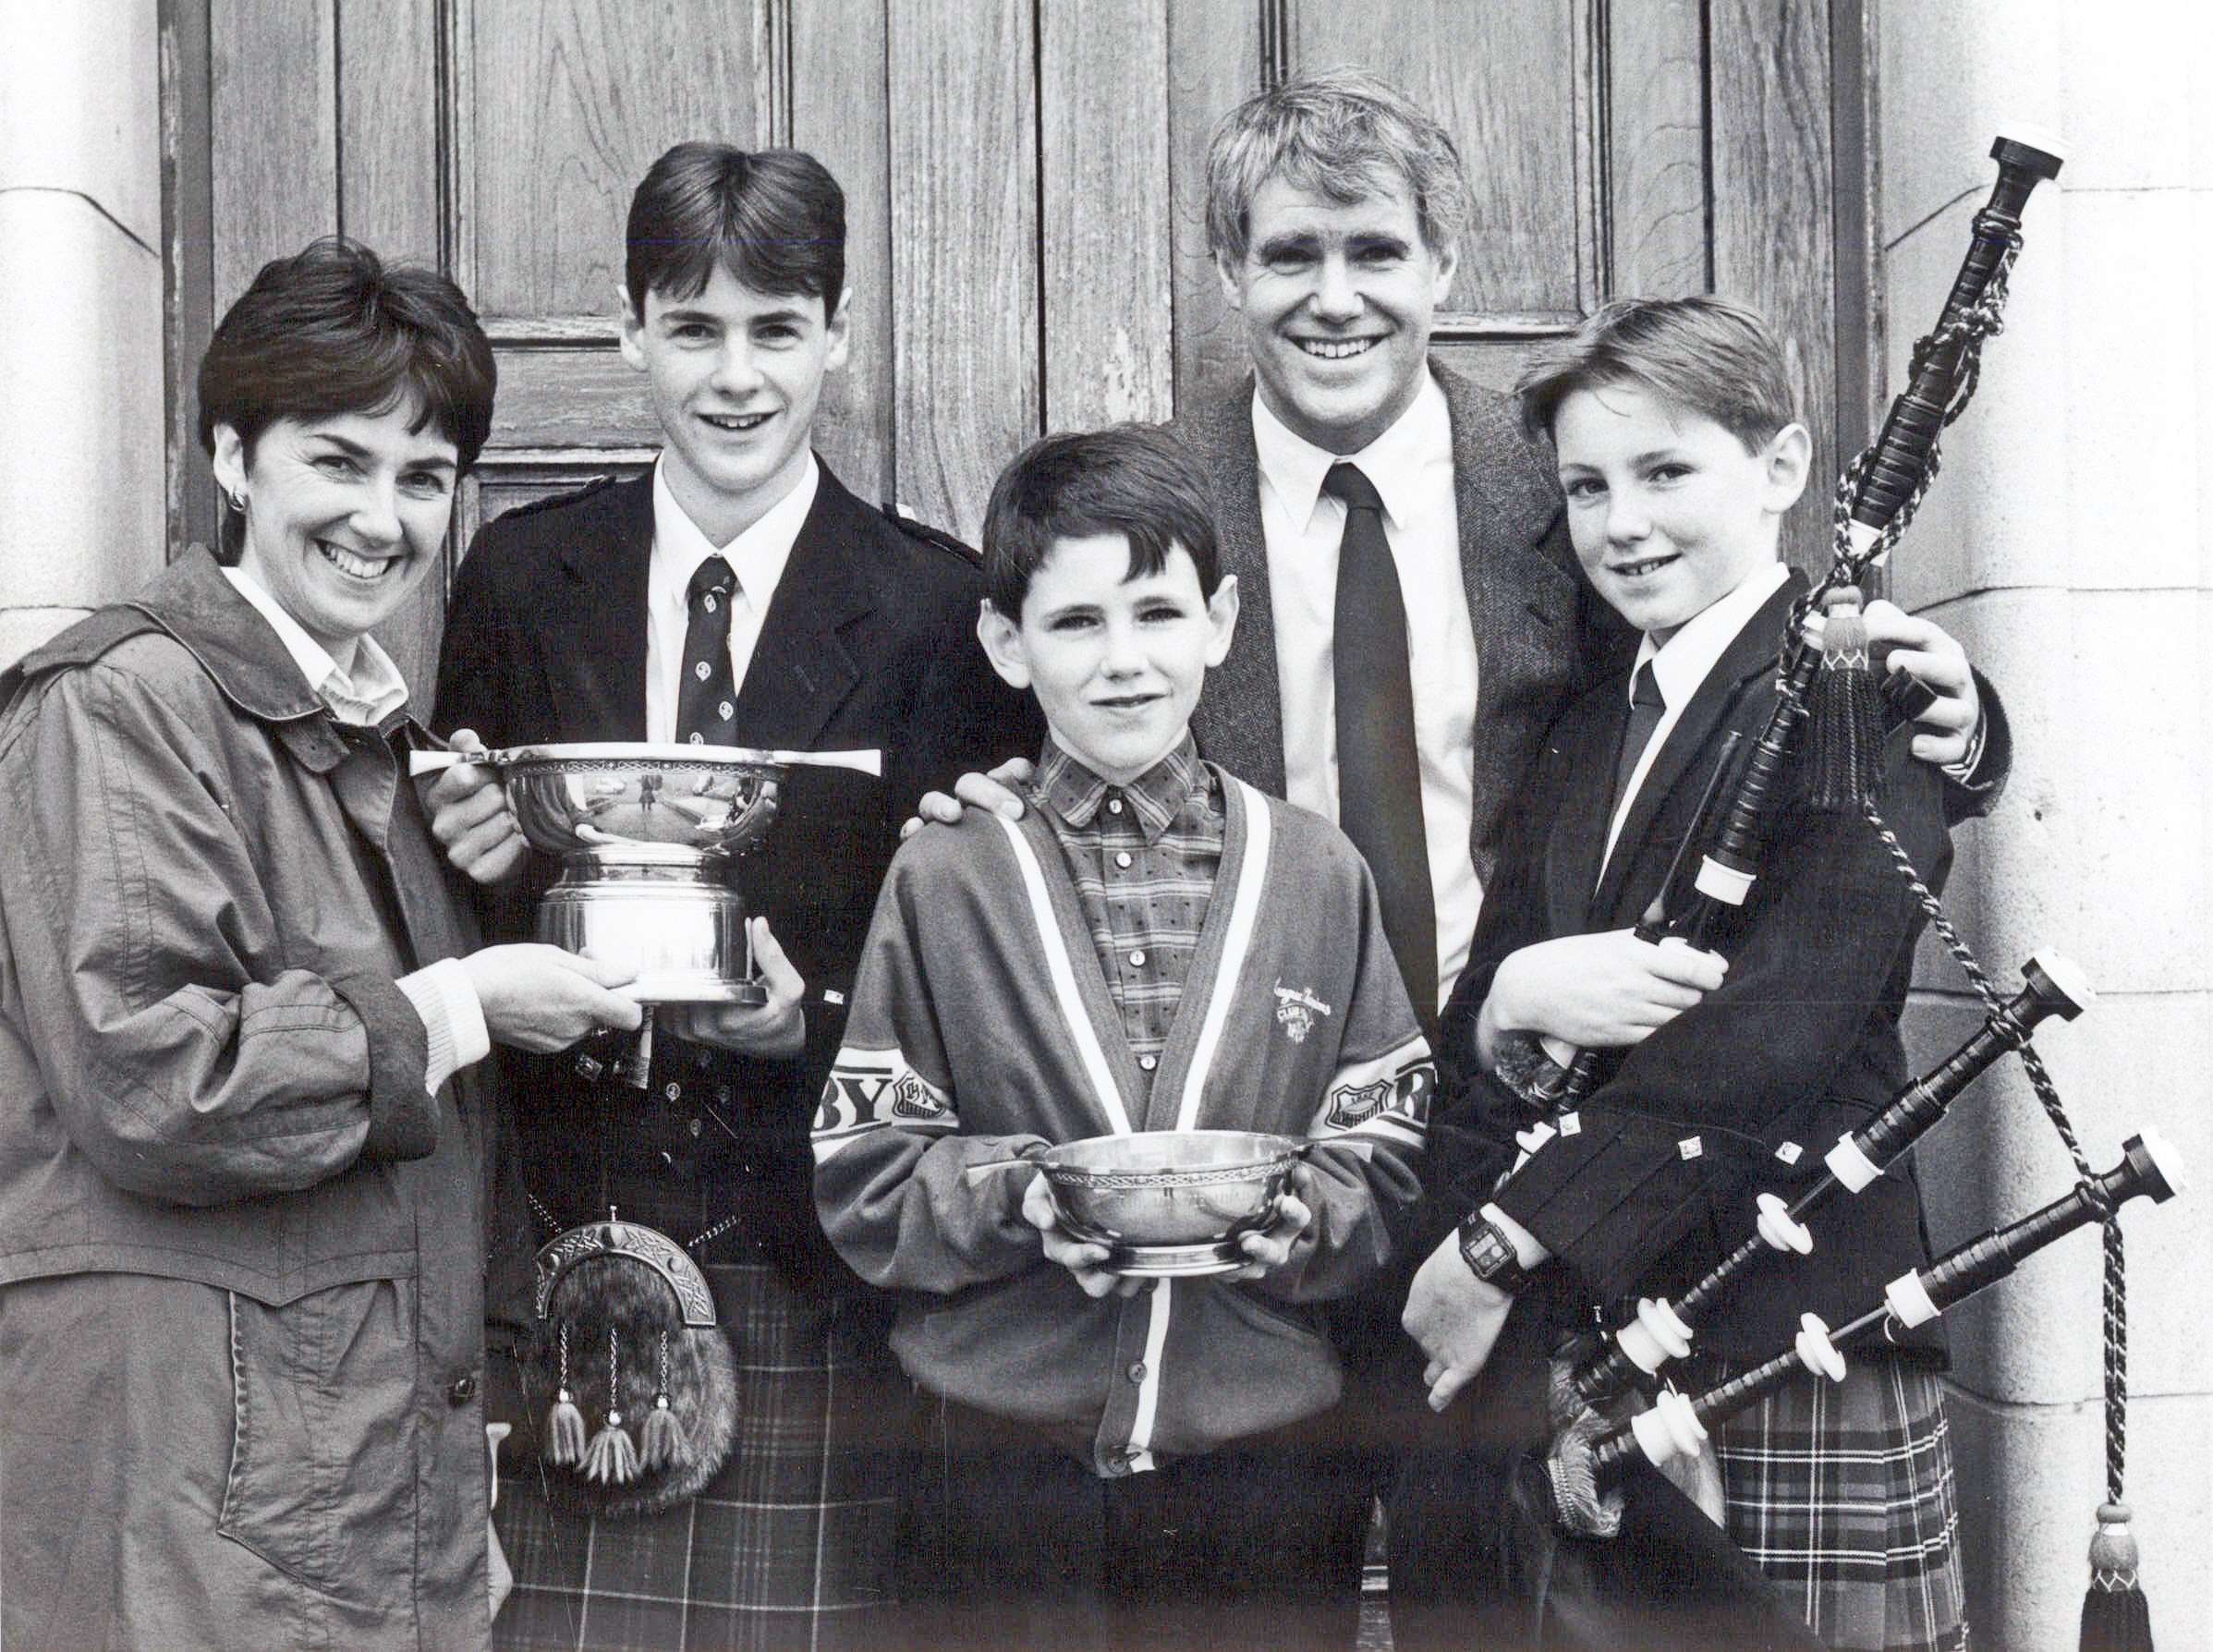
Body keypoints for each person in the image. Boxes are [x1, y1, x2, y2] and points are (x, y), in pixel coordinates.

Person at [919, 67, 2007, 1640]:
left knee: (1494, 1612)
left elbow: (1771, 691)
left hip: (1521, 1177)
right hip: (1248, 1187)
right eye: (1290, 256)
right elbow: (1035, 722)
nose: (1335, 296)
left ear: (1442, 267)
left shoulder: (1560, 474)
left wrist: (1969, 726)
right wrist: (968, 810)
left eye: (1374, 250)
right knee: (1227, 1613)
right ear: (1234, 276)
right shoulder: (1159, 501)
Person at [426, 142, 1038, 1651]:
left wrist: (807, 1022)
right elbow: (468, 913)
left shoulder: (940, 607)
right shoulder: (518, 577)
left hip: (811, 1257)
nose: (736, 375)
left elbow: (965, 977)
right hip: (560, 1244)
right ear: (630, 332)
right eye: (693, 328)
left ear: (838, 334)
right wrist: (469, 853)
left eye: (777, 327)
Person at [0, 237, 640, 1652]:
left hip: (349, 1483)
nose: (383, 518)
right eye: (338, 462)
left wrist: (499, 891)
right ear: (234, 458)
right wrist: (466, 998)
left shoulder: (385, 743)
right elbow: (156, 1080)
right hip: (187, 1492)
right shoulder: (123, 702)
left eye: (425, 478)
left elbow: (435, 1144)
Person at [811, 425, 1432, 1652]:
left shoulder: (1317, 870)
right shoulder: (946, 874)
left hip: (1262, 1469)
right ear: (1006, 643)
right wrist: (1024, 1201)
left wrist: (1301, 1216)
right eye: (1076, 624)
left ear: (1221, 619)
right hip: (998, 1473)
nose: (1124, 663)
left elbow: (1389, 1147)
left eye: (1156, 614)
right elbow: (866, 1171)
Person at [1406, 297, 1965, 1651]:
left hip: (1779, 1330)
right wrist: (1507, 1008)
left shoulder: (1865, 694)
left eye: (1667, 473)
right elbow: (1502, 987)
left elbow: (1774, 1039)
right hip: (1601, 1334)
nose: (1623, 523)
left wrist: (1497, 1245)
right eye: (1588, 487)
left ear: (1781, 471)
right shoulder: (1600, 716)